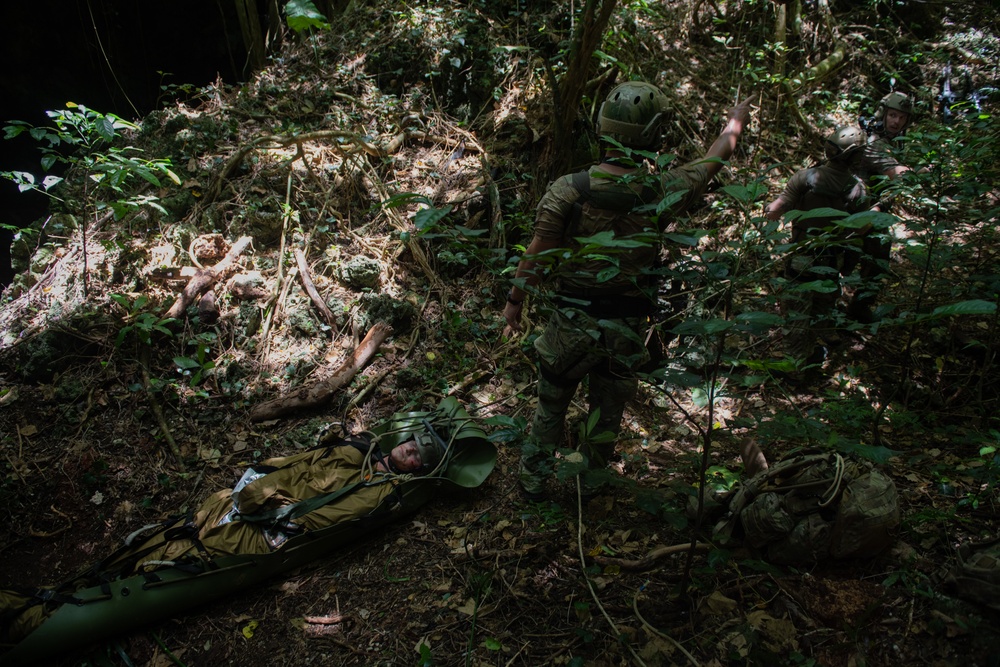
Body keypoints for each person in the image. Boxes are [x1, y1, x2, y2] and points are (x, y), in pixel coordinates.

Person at [503, 80, 751, 498]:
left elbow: (537, 254)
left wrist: (515, 302)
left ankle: (533, 483)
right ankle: (587, 485)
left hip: (570, 320)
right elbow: (715, 157)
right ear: (654, 135)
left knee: (551, 403)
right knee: (607, 410)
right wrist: (736, 121)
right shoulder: (661, 190)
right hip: (626, 324)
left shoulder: (569, 188)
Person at [764, 125, 871, 366]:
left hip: (802, 255)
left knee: (797, 313)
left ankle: (795, 363)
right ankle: (816, 348)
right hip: (833, 258)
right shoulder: (858, 189)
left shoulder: (804, 177)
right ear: (854, 156)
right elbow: (862, 228)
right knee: (823, 303)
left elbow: (775, 211)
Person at [848, 91, 916, 321]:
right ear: (883, 114)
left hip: (871, 209)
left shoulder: (892, 142)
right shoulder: (873, 142)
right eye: (893, 115)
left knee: (878, 257)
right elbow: (898, 175)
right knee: (841, 260)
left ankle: (859, 309)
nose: (896, 121)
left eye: (902, 117)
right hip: (851, 209)